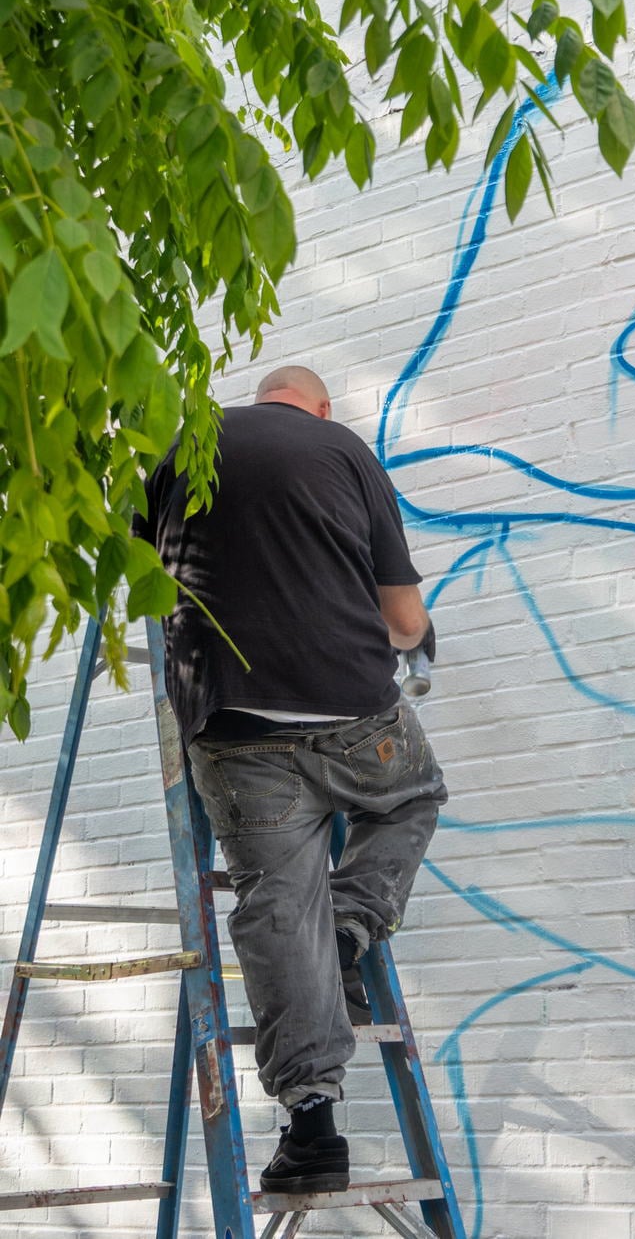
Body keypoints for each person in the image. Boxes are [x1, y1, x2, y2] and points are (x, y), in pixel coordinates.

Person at [133, 364, 446, 1195]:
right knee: (414, 797)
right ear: (320, 406)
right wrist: (420, 642)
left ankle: (312, 1128)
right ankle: (348, 926)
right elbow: (404, 617)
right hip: (349, 713)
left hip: (230, 724)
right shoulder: (343, 449)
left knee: (278, 908)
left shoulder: (181, 447)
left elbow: (136, 581)